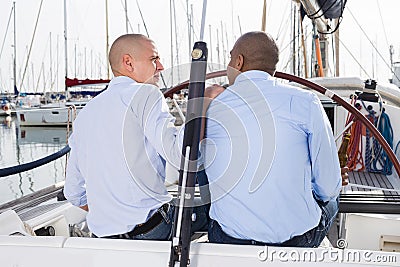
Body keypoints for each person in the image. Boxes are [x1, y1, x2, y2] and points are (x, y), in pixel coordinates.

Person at [201, 31, 341, 247]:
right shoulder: (305, 101)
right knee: (333, 199)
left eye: (230, 58)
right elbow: (328, 187)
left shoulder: (212, 107)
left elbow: (190, 159)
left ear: (239, 61)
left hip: (229, 239)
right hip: (296, 241)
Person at [64, 34, 208, 240]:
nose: (160, 66)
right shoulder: (146, 94)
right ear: (128, 62)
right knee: (214, 213)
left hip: (103, 237)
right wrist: (201, 107)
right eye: (154, 59)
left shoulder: (86, 112)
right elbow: (181, 156)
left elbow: (74, 193)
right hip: (150, 229)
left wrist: (114, 216)